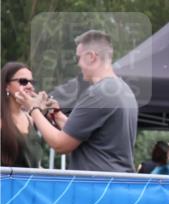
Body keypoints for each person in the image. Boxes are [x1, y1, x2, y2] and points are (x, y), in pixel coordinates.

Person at [15, 31, 138, 173]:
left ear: (91, 57)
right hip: (114, 184)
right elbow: (82, 135)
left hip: (96, 188)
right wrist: (56, 114)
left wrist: (33, 109)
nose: (78, 64)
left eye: (79, 58)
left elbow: (61, 145)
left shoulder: (99, 93)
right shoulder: (123, 90)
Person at [1, 62, 44, 167]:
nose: (29, 86)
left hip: (31, 181)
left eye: (31, 82)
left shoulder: (30, 119)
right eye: (23, 81)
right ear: (7, 86)